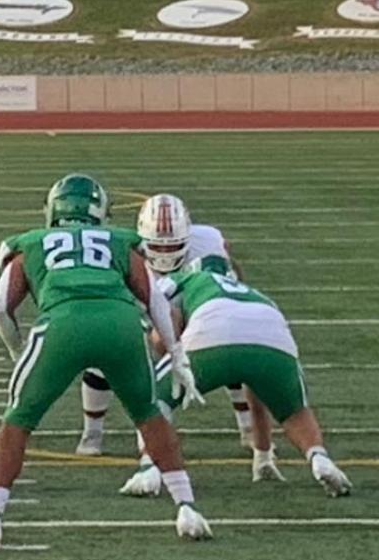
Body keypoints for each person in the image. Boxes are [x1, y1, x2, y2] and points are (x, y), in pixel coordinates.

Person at [0, 174, 211, 549]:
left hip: (61, 325)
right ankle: (186, 506)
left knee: (17, 421)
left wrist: (18, 352)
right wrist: (176, 353)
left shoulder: (28, 242)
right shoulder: (120, 240)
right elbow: (154, 300)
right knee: (149, 415)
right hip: (122, 325)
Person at [118, 255, 351, 498]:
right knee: (295, 412)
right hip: (272, 337)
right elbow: (257, 396)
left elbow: (161, 312)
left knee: (152, 400)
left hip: (213, 327)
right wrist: (261, 455)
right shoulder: (256, 294)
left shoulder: (187, 278)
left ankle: (150, 467)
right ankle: (318, 457)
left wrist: (164, 347)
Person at [76, 193, 255, 456]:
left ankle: (248, 428)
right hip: (140, 303)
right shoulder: (122, 249)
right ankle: (92, 432)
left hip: (191, 301)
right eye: (158, 247)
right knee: (103, 353)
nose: (165, 254)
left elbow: (234, 274)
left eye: (173, 246)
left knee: (229, 341)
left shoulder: (208, 241)